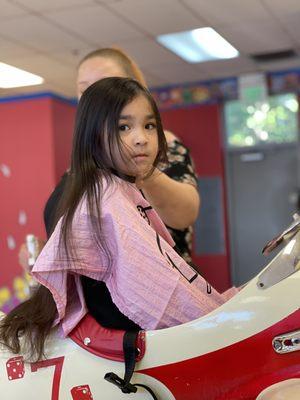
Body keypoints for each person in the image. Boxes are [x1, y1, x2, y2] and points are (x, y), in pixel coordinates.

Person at [0, 78, 236, 361]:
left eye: (149, 126)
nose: (141, 138)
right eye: (124, 127)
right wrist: (220, 322)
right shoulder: (105, 199)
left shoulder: (111, 189)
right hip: (126, 350)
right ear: (94, 134)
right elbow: (158, 298)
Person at [18, 48, 199, 270]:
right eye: (86, 90)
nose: (97, 98)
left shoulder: (162, 147)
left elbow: (184, 214)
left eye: (107, 85)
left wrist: (142, 167)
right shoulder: (81, 163)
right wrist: (47, 255)